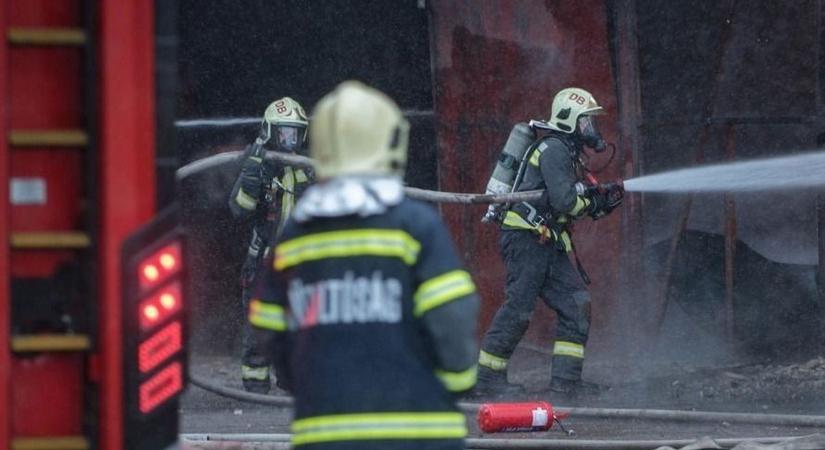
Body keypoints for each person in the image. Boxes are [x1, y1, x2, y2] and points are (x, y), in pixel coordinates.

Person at [248, 80, 479, 449]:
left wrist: (307, 384)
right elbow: (452, 316)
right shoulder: (416, 226)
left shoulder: (296, 237)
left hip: (325, 434)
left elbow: (267, 325)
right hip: (420, 434)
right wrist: (457, 382)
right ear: (389, 143)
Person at [475, 87, 623, 398]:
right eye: (586, 122)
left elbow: (570, 197)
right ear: (570, 120)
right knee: (518, 309)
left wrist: (598, 200)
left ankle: (566, 383)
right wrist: (594, 205)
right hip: (526, 238)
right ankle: (487, 380)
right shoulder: (554, 149)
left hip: (546, 241)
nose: (591, 129)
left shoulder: (567, 153)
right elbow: (566, 201)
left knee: (576, 304)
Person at [228, 96, 313, 394]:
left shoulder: (308, 169)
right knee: (259, 332)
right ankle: (256, 390)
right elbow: (239, 208)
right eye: (284, 133)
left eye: (295, 133)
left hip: (300, 266)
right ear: (269, 132)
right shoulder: (258, 166)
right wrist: (254, 169)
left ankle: (293, 386)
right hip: (263, 264)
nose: (290, 140)